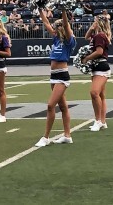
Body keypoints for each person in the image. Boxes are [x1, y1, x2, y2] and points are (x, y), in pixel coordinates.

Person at [35, 9, 77, 147]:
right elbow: (46, 22)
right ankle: (67, 136)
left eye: (58, 26)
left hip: (62, 76)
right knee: (63, 107)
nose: (56, 28)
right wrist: (40, 9)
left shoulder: (69, 41)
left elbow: (66, 24)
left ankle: (45, 137)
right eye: (56, 26)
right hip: (53, 76)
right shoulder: (55, 38)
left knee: (50, 105)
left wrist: (64, 10)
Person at [83, 15, 112, 132]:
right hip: (97, 67)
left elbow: (99, 52)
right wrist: (92, 27)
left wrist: (86, 58)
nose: (93, 23)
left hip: (101, 67)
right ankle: (102, 121)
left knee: (94, 93)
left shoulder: (100, 36)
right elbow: (86, 37)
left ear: (99, 23)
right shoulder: (97, 35)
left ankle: (98, 120)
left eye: (95, 21)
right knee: (100, 95)